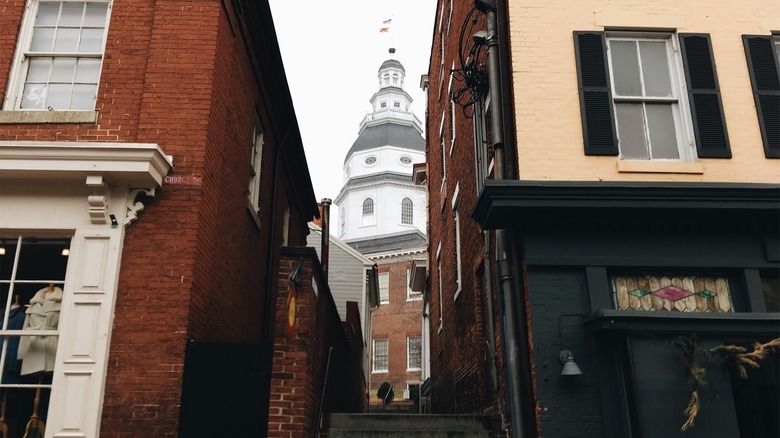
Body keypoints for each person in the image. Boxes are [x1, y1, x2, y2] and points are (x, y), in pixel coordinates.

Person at [17, 284, 62, 376]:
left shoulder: (62, 304)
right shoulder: (33, 305)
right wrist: (21, 352)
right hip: (33, 346)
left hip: (51, 345)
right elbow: (25, 329)